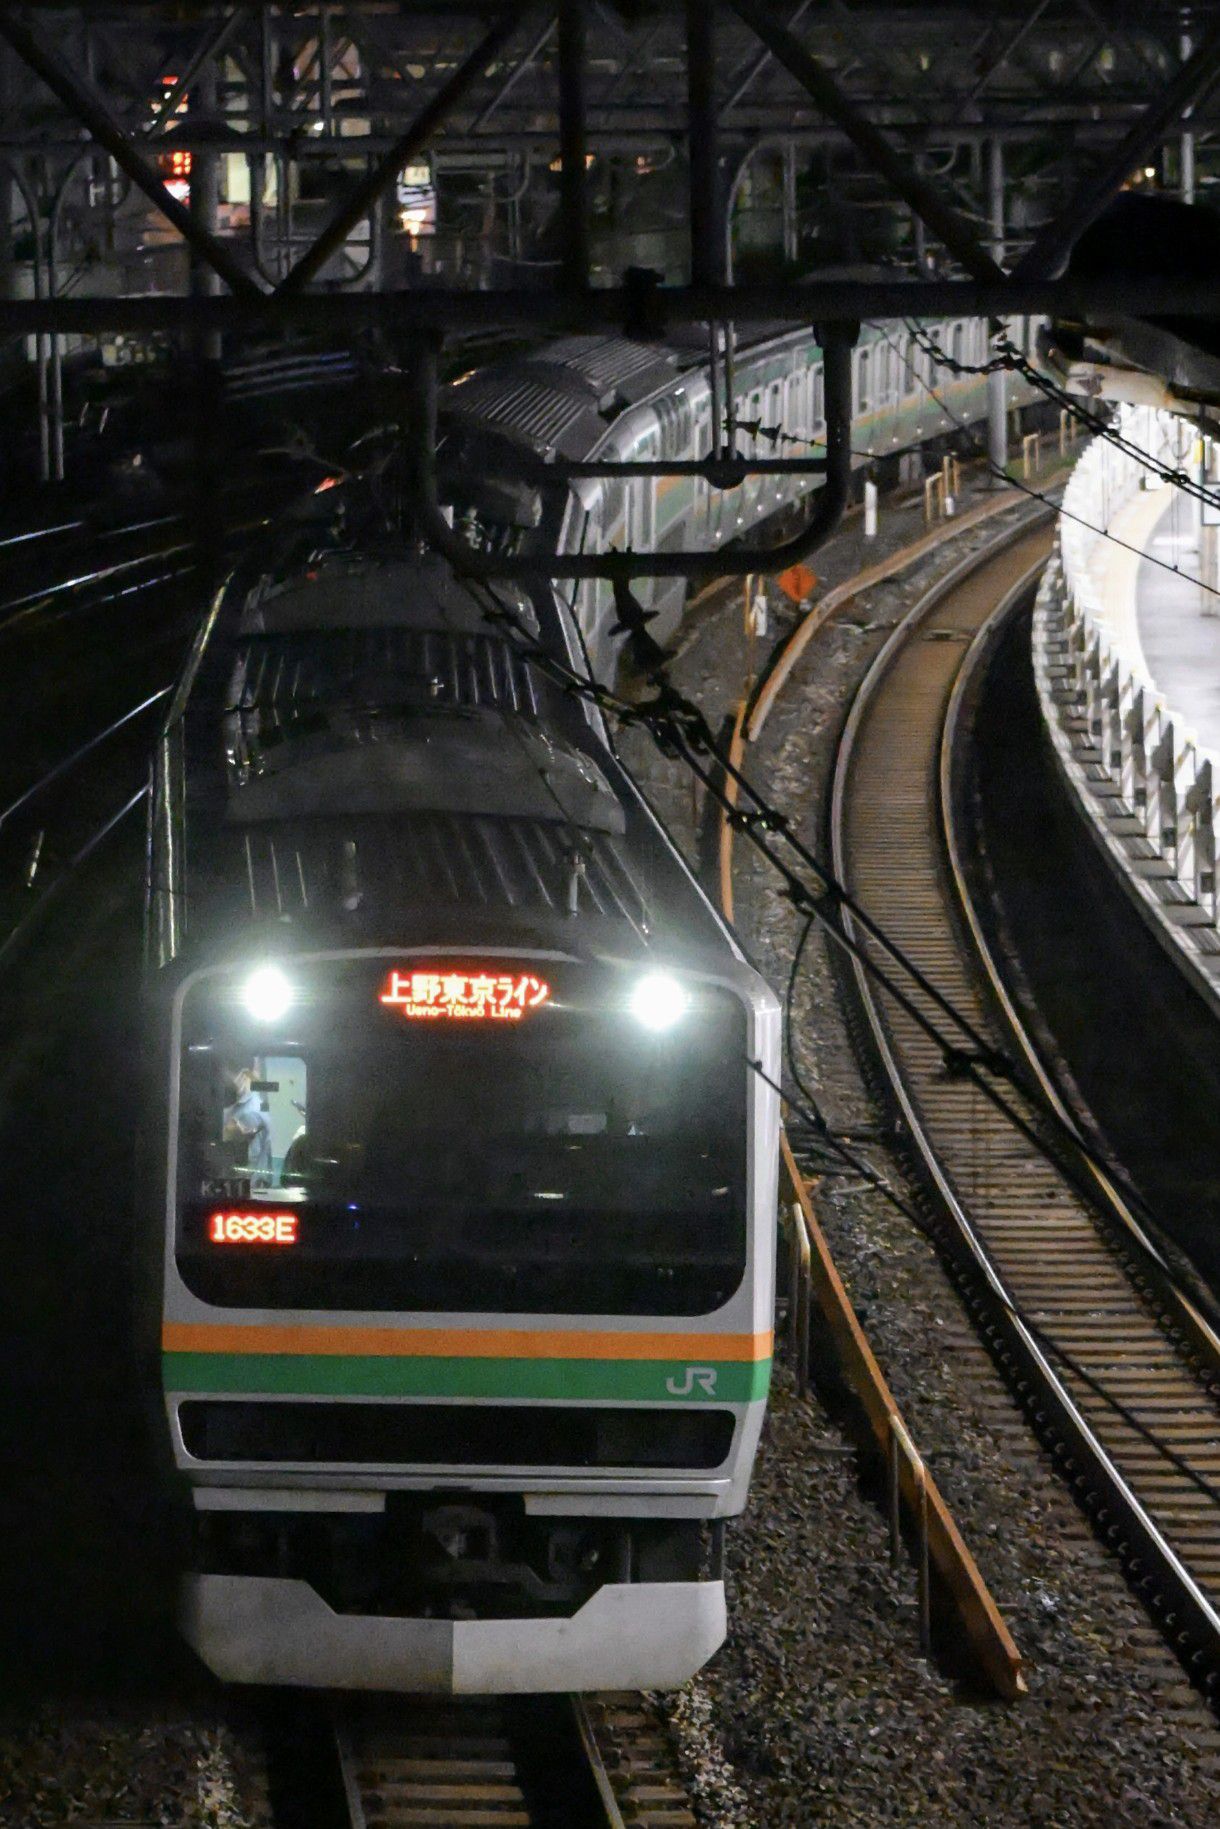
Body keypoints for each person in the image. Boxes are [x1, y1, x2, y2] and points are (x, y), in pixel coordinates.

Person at [223, 1067, 274, 1185]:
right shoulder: (243, 1105)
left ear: (244, 1076)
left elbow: (251, 1156)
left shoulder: (250, 1111)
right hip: (249, 1180)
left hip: (249, 1183)